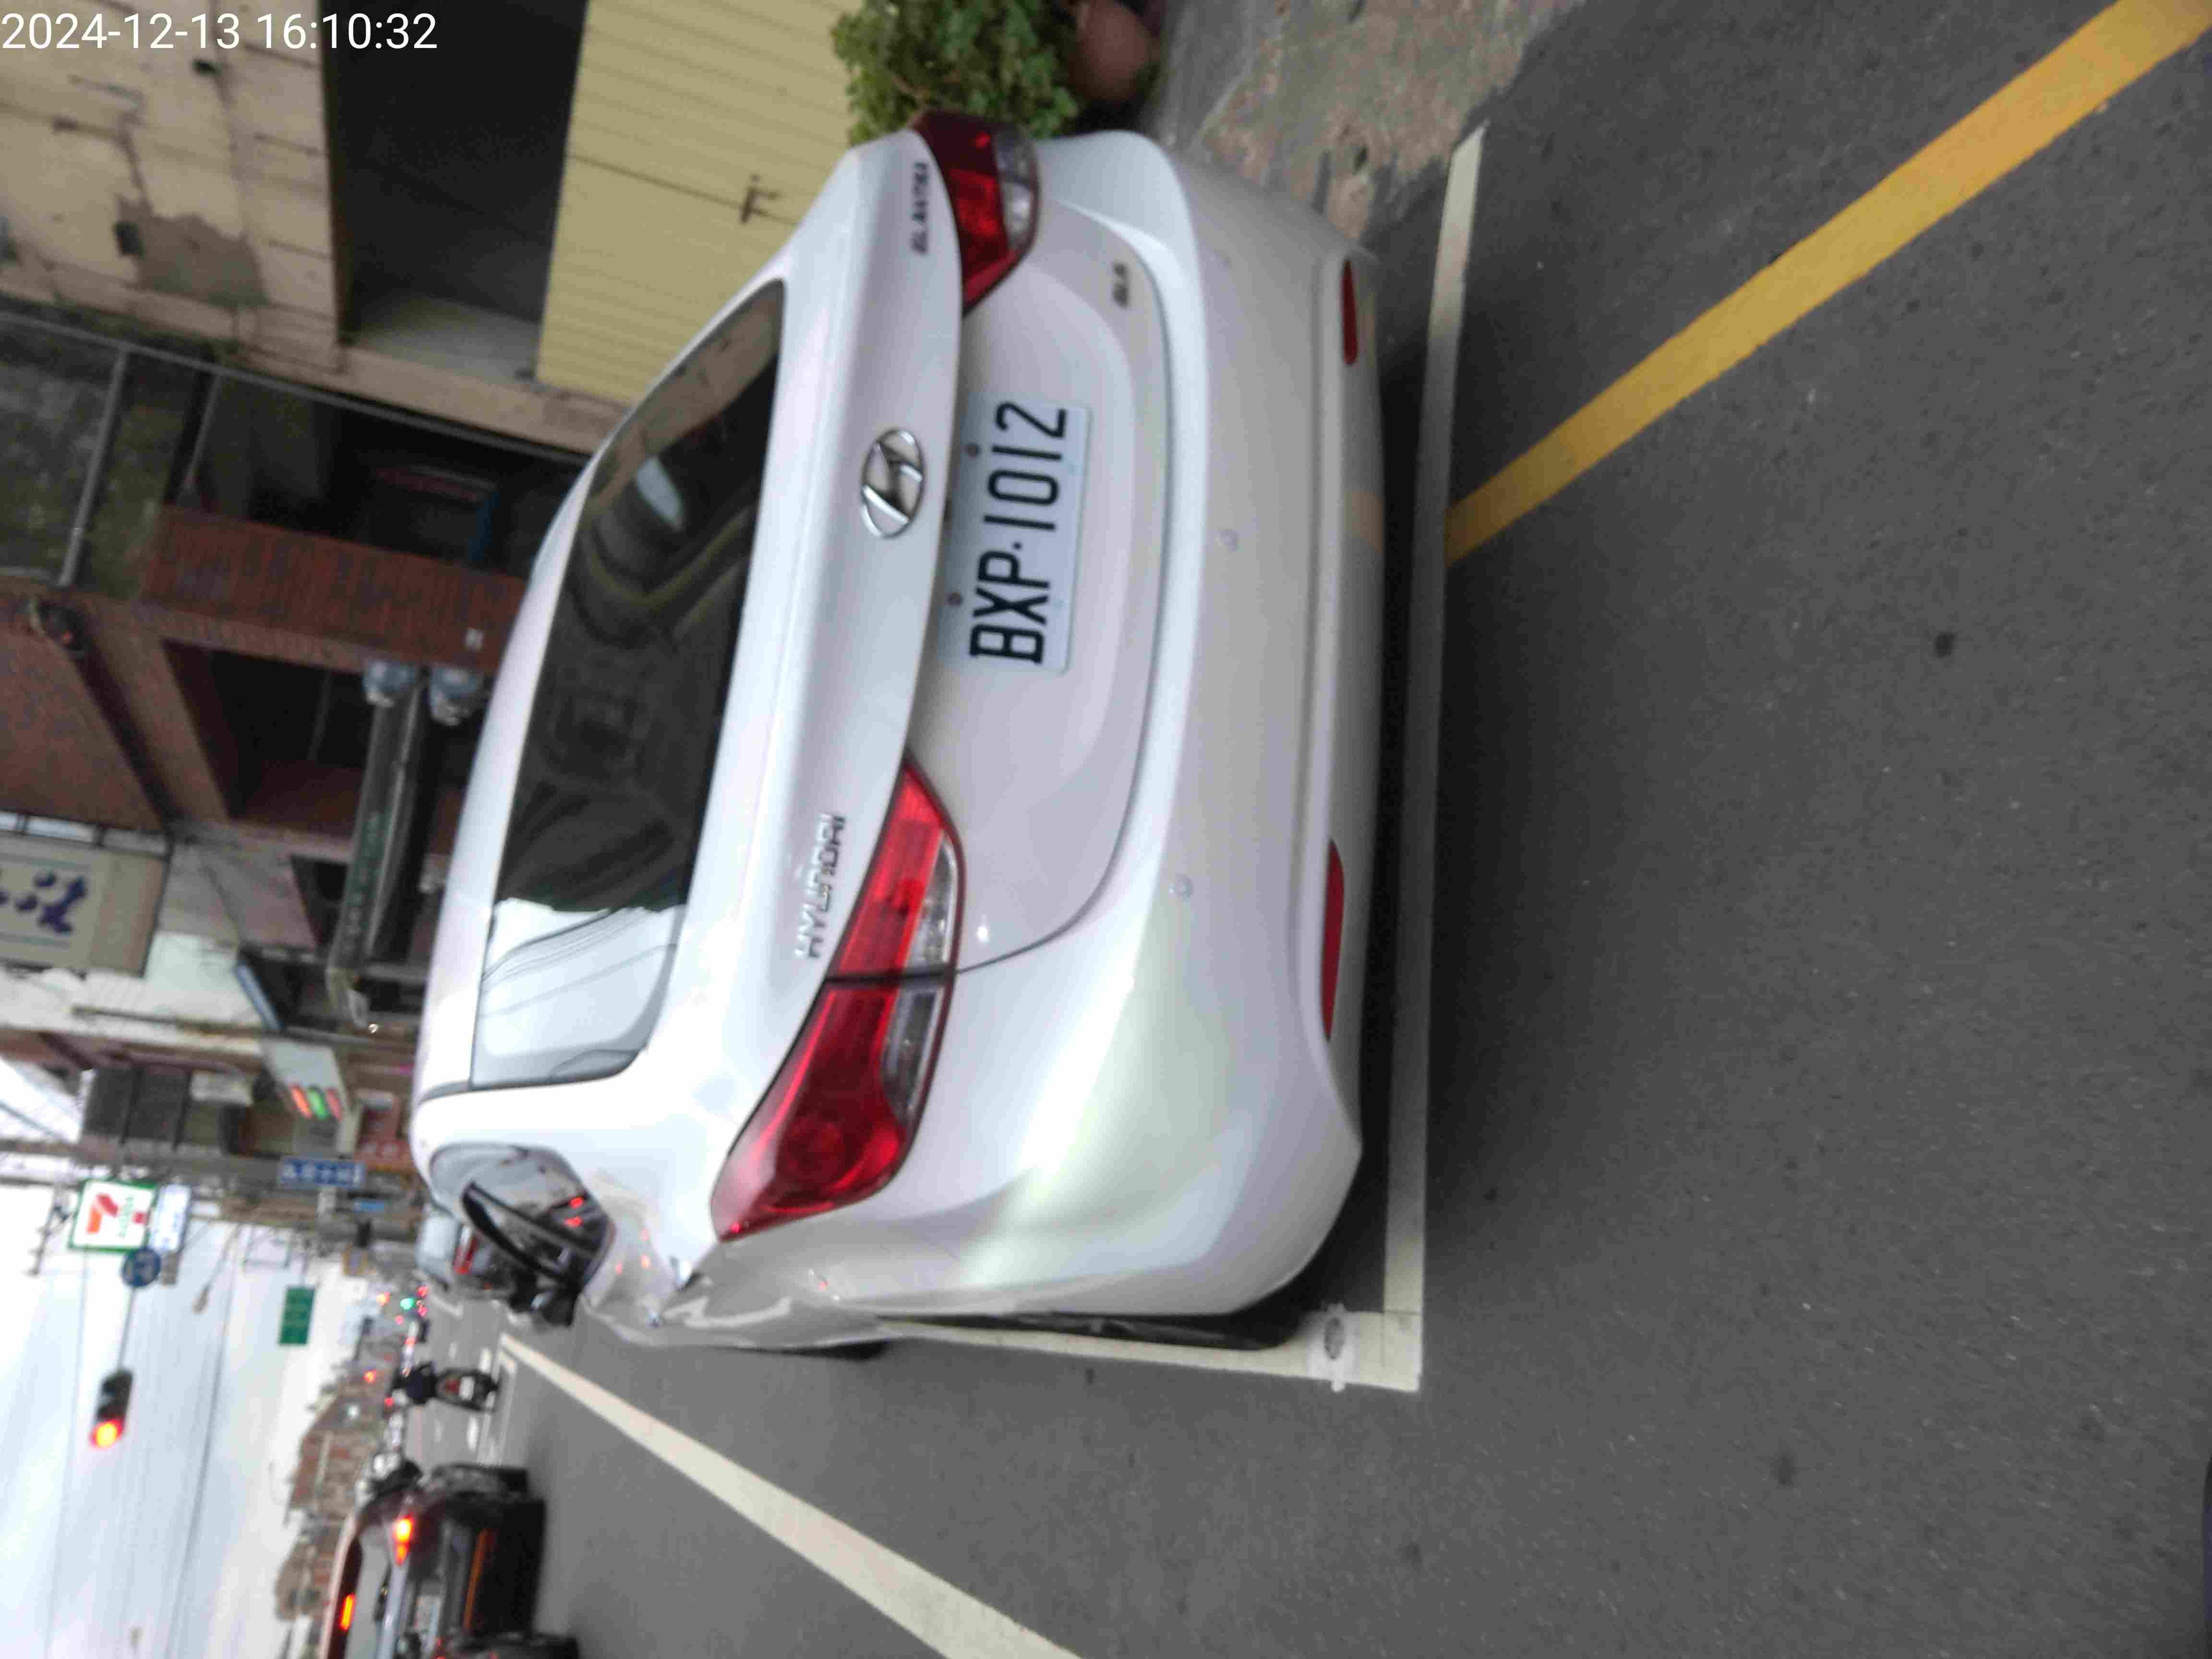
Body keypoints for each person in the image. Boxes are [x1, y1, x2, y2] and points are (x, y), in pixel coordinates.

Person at [392, 1360, 500, 1412]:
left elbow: (423, 1402)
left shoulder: (410, 1395)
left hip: (439, 1394)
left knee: (461, 1404)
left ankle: (484, 1409)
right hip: (440, 1379)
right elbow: (426, 1366)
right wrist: (429, 1367)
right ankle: (487, 1379)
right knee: (464, 1373)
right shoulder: (411, 1374)